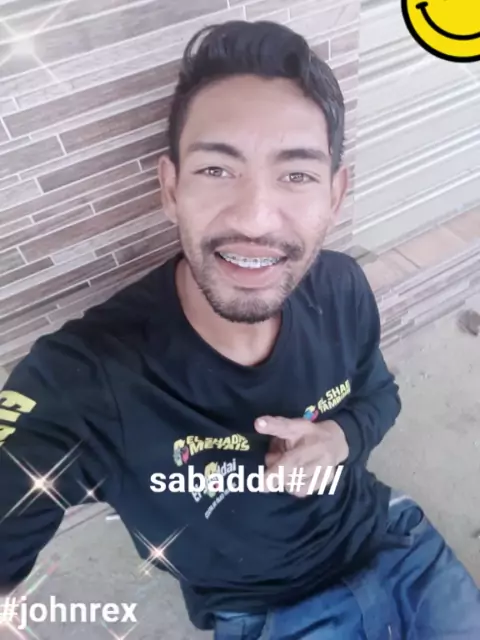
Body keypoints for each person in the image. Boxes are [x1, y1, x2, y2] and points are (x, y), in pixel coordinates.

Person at [0, 20, 479, 640]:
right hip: (267, 613)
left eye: (297, 174)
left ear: (335, 196)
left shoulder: (342, 287)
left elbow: (379, 395)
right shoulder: (81, 383)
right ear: (170, 188)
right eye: (217, 170)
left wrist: (338, 439)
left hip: (395, 541)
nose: (255, 219)